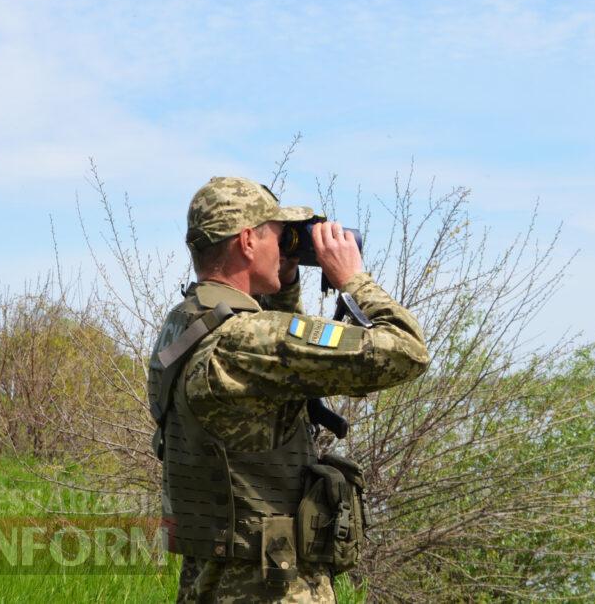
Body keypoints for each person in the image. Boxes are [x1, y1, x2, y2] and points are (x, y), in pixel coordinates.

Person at [148, 176, 430, 603]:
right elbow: (406, 351)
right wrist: (355, 280)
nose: (285, 247)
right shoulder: (248, 340)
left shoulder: (183, 325)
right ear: (247, 241)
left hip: (209, 579)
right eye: (279, 237)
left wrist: (286, 282)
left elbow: (282, 371)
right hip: (271, 587)